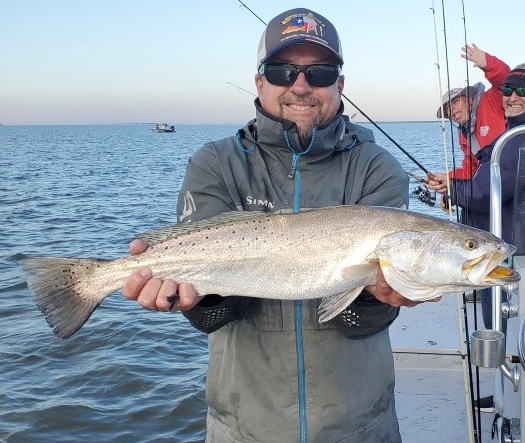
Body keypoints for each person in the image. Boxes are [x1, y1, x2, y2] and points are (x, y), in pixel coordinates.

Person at [121, 8, 428, 442]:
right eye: (283, 70)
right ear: (260, 81)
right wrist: (194, 297)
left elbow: (358, 320)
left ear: (340, 86)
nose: (300, 85)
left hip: (359, 426)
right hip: (242, 427)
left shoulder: (376, 167)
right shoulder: (214, 163)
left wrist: (381, 297)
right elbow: (214, 317)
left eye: (319, 72)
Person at [438, 65, 525, 412]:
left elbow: (489, 189)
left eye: (521, 90)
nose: (513, 97)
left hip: (511, 249)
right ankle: (505, 392)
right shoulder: (510, 136)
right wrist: (454, 185)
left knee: (502, 323)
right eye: (508, 90)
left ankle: (509, 398)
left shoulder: (516, 139)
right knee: (500, 321)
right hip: (506, 242)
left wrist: (454, 191)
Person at [428, 44, 510, 191]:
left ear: (470, 100)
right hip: (496, 185)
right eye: (447, 108)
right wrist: (447, 178)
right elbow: (471, 170)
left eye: (456, 102)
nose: (451, 108)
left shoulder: (490, 100)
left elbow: (506, 82)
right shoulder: (463, 134)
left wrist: (488, 64)